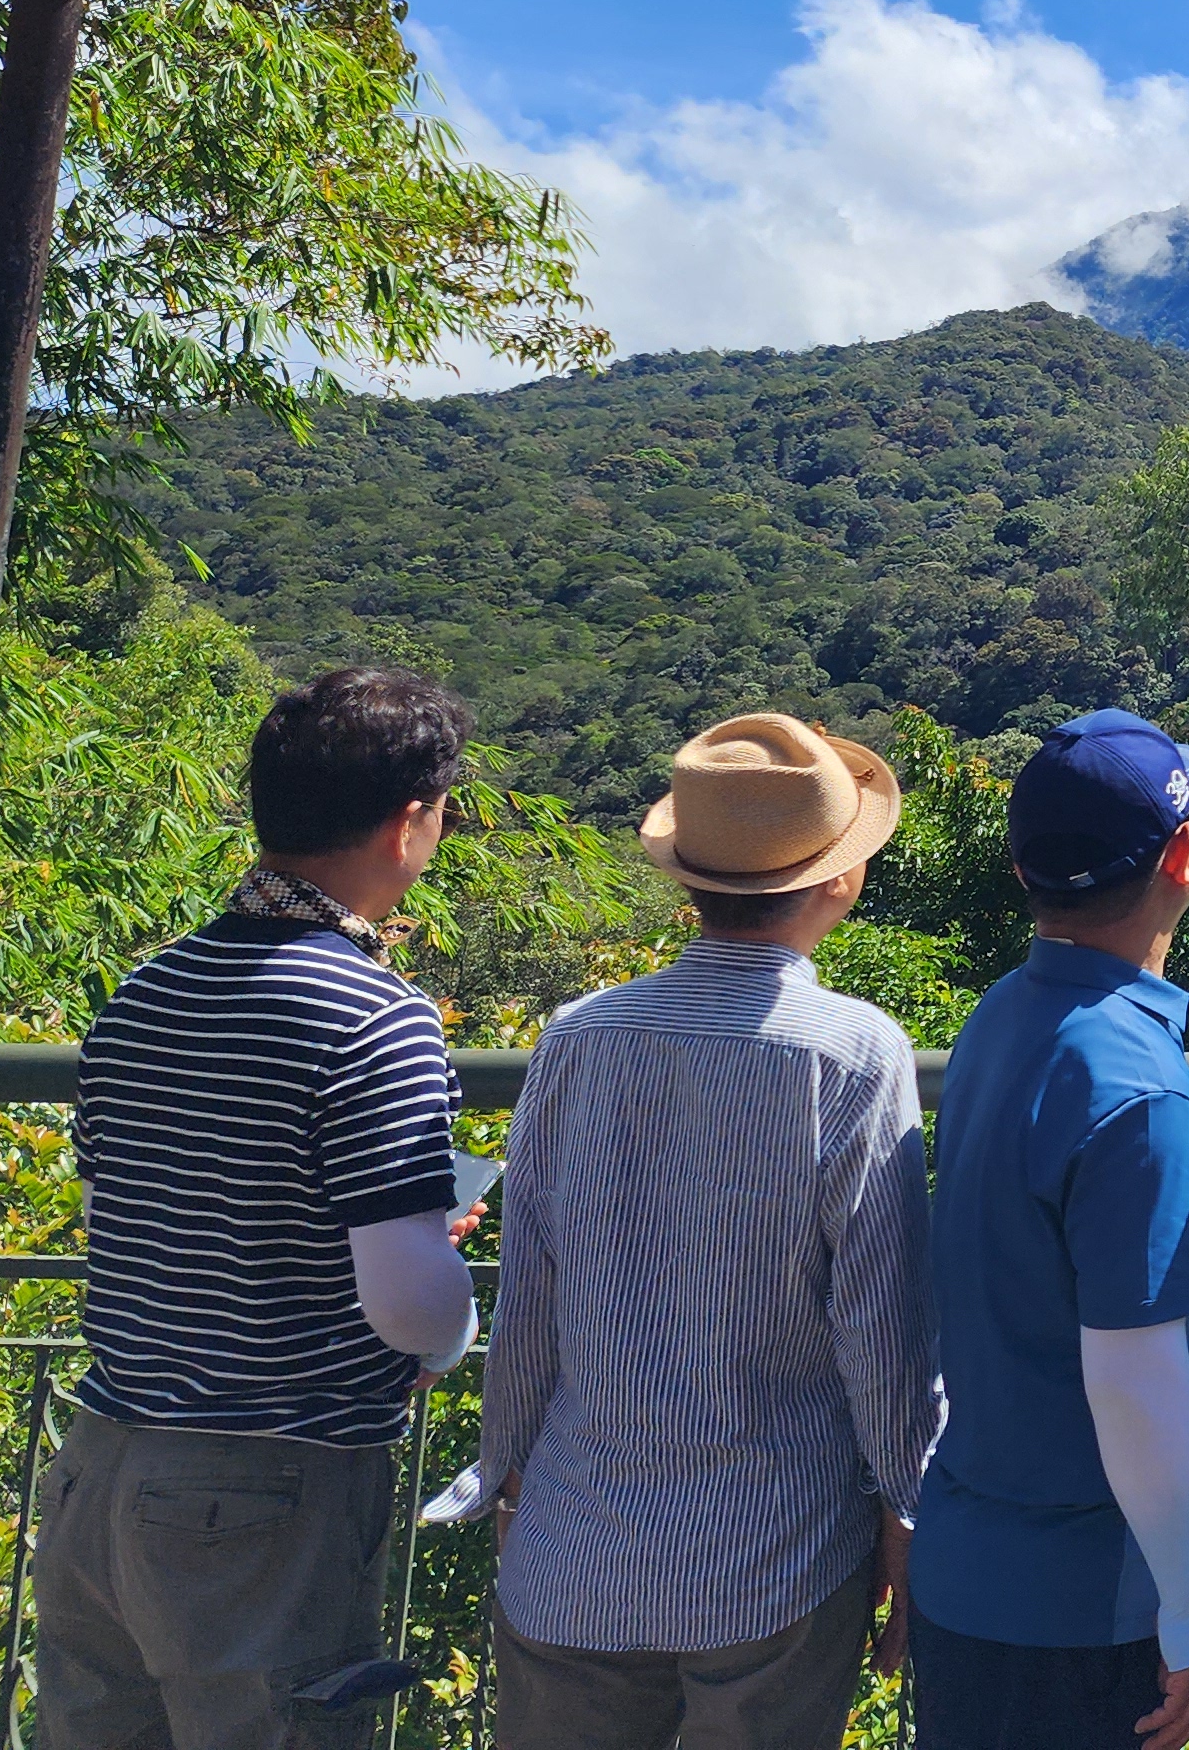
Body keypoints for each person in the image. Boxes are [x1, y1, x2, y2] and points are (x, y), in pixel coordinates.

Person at [458, 715, 940, 1750]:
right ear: (838, 881)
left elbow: (527, 1290)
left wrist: (509, 1472)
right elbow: (879, 1320)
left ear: (687, 880)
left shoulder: (579, 1036)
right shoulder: (854, 1052)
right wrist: (907, 1504)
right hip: (776, 1553)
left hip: (572, 1545)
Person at [39, 667, 484, 1750]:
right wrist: (443, 1306)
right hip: (265, 1494)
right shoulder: (374, 1017)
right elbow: (412, 1310)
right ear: (409, 822)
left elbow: (124, 1219)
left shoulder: (146, 991)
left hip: (101, 1464)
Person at [911, 709, 1189, 1750]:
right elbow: (1135, 1380)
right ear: (1184, 856)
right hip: (1083, 1609)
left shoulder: (998, 1018)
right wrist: (1187, 1613)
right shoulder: (1143, 1094)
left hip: (967, 1568)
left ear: (1022, 872)